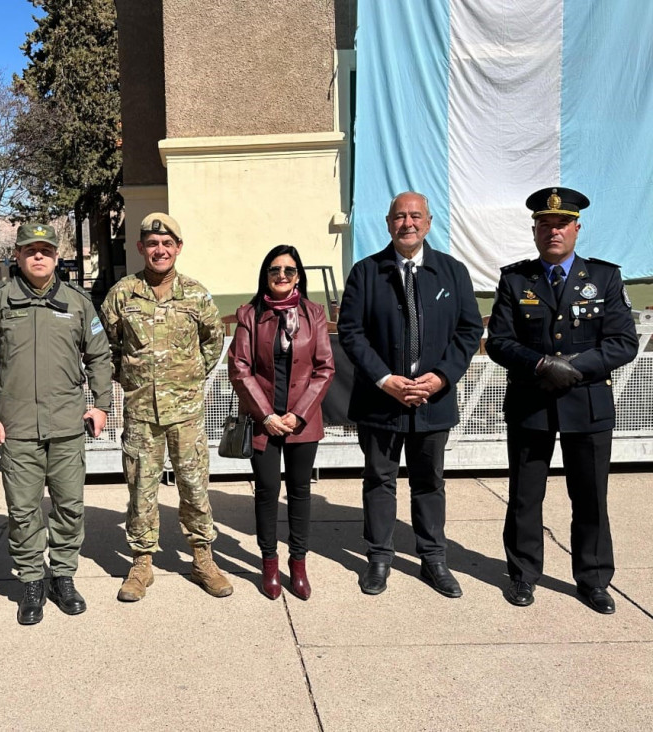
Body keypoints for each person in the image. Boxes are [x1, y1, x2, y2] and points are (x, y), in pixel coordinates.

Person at [486, 187, 638, 614]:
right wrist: (539, 365)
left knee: (590, 497)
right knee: (524, 496)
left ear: (576, 228)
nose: (554, 231)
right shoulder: (516, 279)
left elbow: (624, 342)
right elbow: (498, 341)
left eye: (561, 224)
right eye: (545, 224)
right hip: (531, 404)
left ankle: (593, 580)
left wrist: (575, 366)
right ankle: (522, 575)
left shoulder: (604, 278)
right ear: (535, 230)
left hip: (586, 404)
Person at [337, 192, 483, 598]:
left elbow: (469, 331)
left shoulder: (452, 272)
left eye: (415, 216)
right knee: (379, 479)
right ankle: (379, 558)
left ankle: (433, 559)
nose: (407, 223)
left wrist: (440, 377)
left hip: (432, 400)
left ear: (429, 222)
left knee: (429, 481)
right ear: (387, 223)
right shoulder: (366, 272)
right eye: (399, 216)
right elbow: (351, 331)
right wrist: (385, 379)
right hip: (380, 400)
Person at [0, 222, 112, 625]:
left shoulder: (78, 303)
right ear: (17, 256)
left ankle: (62, 576)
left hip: (67, 426)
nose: (38, 256)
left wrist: (101, 405)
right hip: (17, 429)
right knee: (24, 510)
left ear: (56, 256)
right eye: (30, 250)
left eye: (45, 250)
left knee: (69, 506)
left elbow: (99, 356)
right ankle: (31, 580)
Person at [100, 212, 232, 601]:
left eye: (167, 243)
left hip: (186, 414)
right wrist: (129, 379)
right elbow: (105, 346)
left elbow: (213, 340)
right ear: (141, 248)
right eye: (152, 244)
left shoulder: (196, 294)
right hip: (141, 414)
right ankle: (141, 562)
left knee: (194, 487)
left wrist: (188, 380)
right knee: (141, 489)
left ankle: (203, 558)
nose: (160, 250)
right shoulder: (122, 294)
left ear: (178, 248)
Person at [228, 245, 335, 600]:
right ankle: (269, 563)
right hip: (264, 421)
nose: (282, 276)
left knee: (301, 492)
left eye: (289, 270)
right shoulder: (249, 313)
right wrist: (267, 415)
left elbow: (324, 368)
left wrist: (298, 413)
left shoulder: (313, 314)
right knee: (267, 491)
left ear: (298, 275)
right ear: (266, 275)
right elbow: (240, 368)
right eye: (275, 270)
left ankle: (299, 564)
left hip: (302, 421)